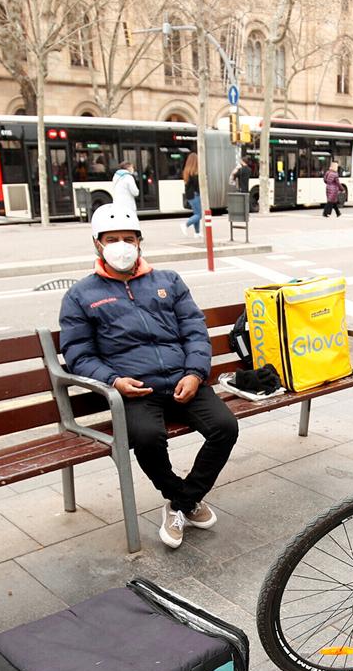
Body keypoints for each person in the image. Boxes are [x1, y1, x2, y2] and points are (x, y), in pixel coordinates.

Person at [59, 204, 237, 549]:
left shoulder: (168, 281)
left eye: (129, 238)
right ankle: (182, 497)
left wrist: (195, 373)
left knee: (225, 427)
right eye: (113, 239)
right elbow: (78, 353)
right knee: (146, 437)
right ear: (98, 244)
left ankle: (181, 501)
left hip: (184, 379)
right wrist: (113, 380)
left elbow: (195, 332)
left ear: (140, 241)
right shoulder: (81, 295)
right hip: (136, 389)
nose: (122, 245)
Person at [181, 152, 202, 236]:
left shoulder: (187, 171)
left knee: (196, 213)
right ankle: (186, 224)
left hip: (190, 196)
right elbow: (198, 186)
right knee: (199, 215)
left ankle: (197, 233)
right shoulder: (195, 173)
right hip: (195, 195)